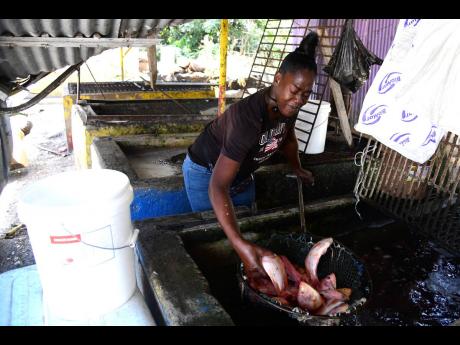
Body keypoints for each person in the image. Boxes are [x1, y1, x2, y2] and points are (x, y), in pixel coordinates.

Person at [182, 31, 318, 281]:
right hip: (208, 174)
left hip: (242, 175)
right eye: (296, 90)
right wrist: (238, 242)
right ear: (278, 79)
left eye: (306, 94)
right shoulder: (248, 119)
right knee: (220, 239)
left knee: (248, 230)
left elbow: (286, 137)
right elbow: (218, 186)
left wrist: (297, 167)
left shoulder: (288, 104)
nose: (300, 100)